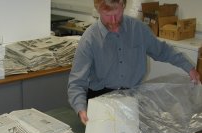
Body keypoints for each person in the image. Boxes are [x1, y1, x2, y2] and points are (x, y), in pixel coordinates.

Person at [67, 0, 201, 125]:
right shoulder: (89, 39)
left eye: (117, 13)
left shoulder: (138, 29)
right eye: (108, 15)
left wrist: (188, 67)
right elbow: (77, 82)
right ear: (98, 10)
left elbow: (163, 51)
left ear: (124, 6)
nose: (113, 21)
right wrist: (81, 109)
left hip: (132, 97)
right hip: (101, 99)